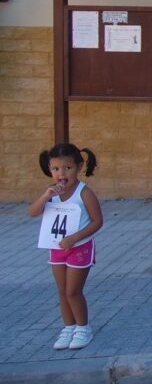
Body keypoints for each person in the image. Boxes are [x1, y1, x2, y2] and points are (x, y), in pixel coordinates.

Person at [28, 144, 103, 350]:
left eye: (67, 168)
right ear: (50, 170)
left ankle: (83, 327)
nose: (62, 173)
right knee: (62, 291)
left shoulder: (84, 193)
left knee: (73, 291)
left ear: (78, 167)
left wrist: (75, 237)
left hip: (79, 247)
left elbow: (97, 221)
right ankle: (68, 327)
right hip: (57, 248)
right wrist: (45, 196)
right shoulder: (51, 193)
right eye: (56, 169)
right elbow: (33, 212)